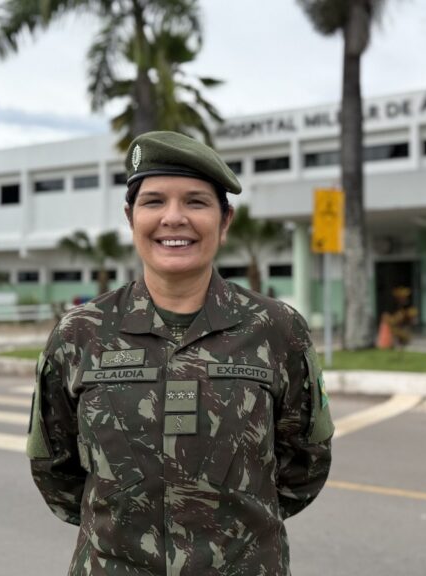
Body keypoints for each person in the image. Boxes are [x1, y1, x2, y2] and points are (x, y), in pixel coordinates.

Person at [26, 131, 333, 575]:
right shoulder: (80, 333)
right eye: (154, 201)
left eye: (196, 202)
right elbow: (54, 467)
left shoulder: (277, 329)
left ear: (224, 221)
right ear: (131, 217)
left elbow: (305, 463)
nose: (174, 218)